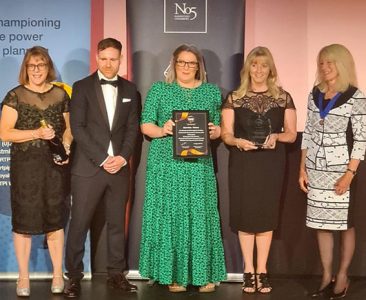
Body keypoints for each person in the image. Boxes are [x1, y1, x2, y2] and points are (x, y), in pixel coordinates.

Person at [138, 44, 226, 293]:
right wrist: (162, 129)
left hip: (198, 165)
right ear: (173, 64)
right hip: (167, 165)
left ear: (199, 66)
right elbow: (146, 125)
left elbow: (219, 128)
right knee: (171, 216)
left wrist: (215, 131)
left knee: (200, 216)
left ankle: (204, 274)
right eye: (182, 62)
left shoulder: (211, 92)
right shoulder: (160, 89)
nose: (186, 67)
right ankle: (173, 274)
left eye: (191, 63)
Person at [63, 38, 139, 297]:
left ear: (120, 60)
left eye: (113, 59)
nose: (108, 64)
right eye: (104, 58)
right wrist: (103, 158)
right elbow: (78, 129)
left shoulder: (130, 89)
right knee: (79, 224)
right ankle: (72, 277)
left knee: (117, 223)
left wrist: (122, 157)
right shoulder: (81, 87)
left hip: (119, 168)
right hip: (88, 168)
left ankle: (117, 274)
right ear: (97, 58)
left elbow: (132, 129)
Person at [221, 46, 297, 294]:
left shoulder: (283, 97)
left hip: (271, 163)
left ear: (271, 69)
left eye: (264, 65)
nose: (259, 70)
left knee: (265, 216)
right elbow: (226, 134)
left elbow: (292, 134)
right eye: (255, 64)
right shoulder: (234, 97)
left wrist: (277, 136)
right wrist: (237, 142)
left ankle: (262, 271)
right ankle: (248, 271)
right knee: (245, 216)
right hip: (244, 162)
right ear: (248, 68)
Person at [0, 46, 72, 296]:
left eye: (41, 65)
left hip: (54, 168)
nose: (37, 70)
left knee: (55, 220)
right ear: (25, 69)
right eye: (32, 66)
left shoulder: (61, 96)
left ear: (48, 67)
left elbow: (68, 129)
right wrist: (36, 133)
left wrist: (66, 145)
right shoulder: (15, 96)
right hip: (25, 169)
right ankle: (23, 279)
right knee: (24, 223)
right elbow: (4, 133)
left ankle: (56, 274)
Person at [299, 44, 366, 299]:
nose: (325, 67)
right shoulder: (314, 94)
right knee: (321, 225)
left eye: (330, 62)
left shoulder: (356, 96)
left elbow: (361, 139)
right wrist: (302, 168)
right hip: (316, 170)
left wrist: (350, 174)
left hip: (343, 171)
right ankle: (327, 275)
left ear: (342, 64)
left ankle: (344, 274)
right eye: (322, 63)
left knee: (344, 225)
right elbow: (308, 133)